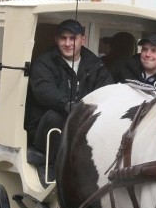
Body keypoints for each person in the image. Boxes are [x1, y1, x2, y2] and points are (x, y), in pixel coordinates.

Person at [24, 19, 113, 168]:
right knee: (54, 117)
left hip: (84, 125)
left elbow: (107, 89)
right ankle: (62, 169)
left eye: (73, 38)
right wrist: (67, 104)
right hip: (46, 130)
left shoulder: (94, 64)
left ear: (82, 40)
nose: (67, 43)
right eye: (63, 38)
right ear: (56, 40)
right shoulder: (44, 62)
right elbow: (43, 90)